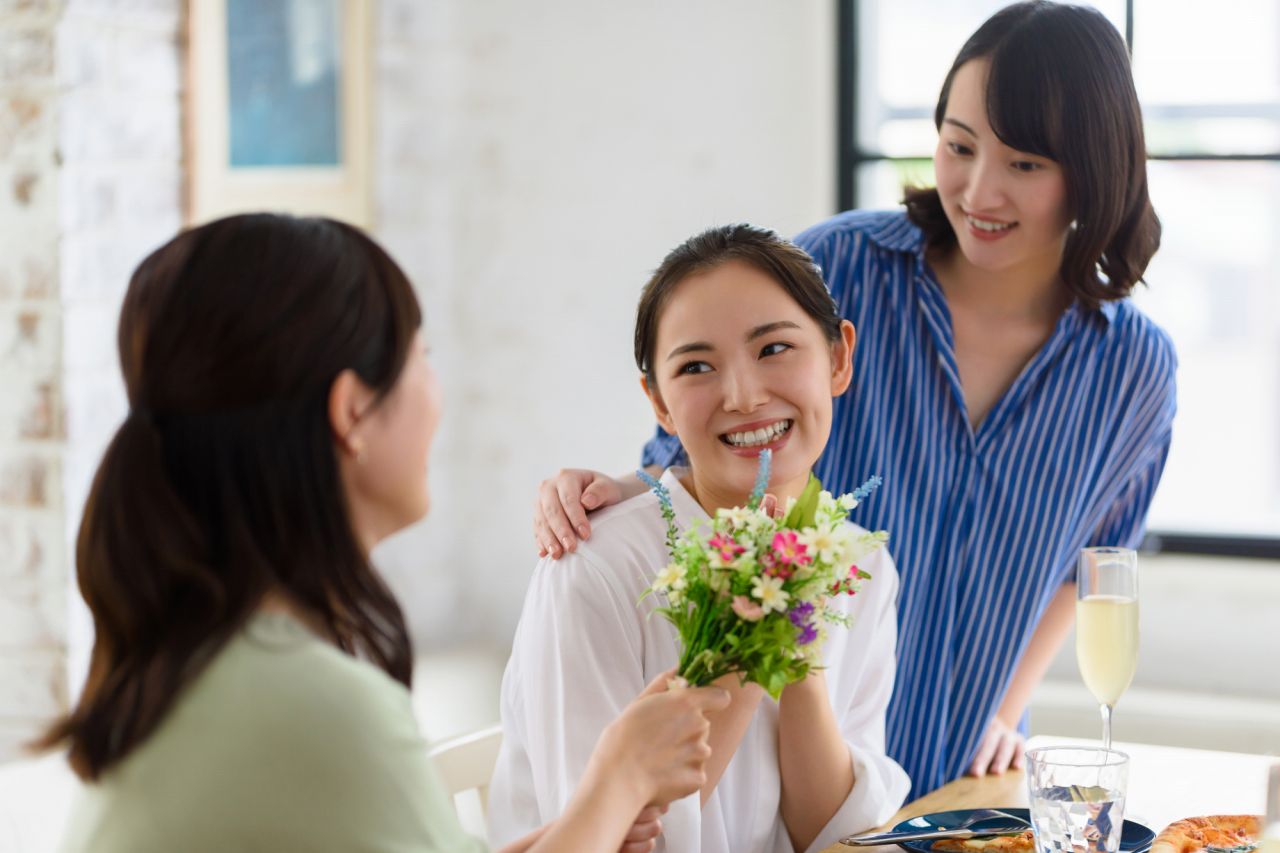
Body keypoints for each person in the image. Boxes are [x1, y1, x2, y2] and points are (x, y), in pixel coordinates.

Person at [529, 0, 1177, 798]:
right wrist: (597, 495)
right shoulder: (845, 265)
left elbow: (1092, 563)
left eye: (1025, 165)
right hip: (797, 774)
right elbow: (699, 467)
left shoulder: (1133, 370)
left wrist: (1006, 708)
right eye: (959, 145)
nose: (978, 191)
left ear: (1093, 168)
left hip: (964, 770)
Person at [40, 213, 730, 853]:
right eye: (421, 356)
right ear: (351, 410)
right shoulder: (310, 703)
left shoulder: (225, 661)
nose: (437, 393)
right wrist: (616, 780)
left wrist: (603, 807)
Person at [489, 224, 911, 853]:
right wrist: (750, 610)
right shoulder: (592, 569)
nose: (743, 396)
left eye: (774, 349)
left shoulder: (863, 562)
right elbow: (603, 841)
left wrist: (793, 616)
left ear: (839, 358)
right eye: (696, 366)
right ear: (659, 404)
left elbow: (832, 833)